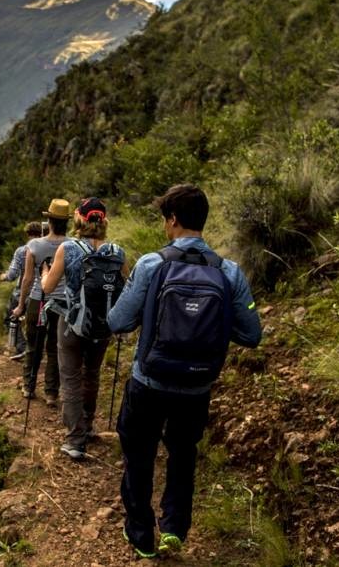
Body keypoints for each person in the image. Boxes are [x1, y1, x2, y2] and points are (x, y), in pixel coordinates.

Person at [107, 184, 262, 559]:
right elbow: (251, 334)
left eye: (165, 219)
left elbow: (118, 321)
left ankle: (141, 534)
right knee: (182, 453)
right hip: (196, 385)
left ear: (173, 220)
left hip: (149, 381)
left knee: (139, 453)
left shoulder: (151, 264)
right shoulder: (229, 272)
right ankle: (174, 527)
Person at [40, 197, 129, 460]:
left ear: (78, 219)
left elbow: (48, 287)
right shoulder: (117, 252)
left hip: (72, 324)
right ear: (104, 221)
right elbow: (127, 287)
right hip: (104, 324)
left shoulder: (68, 248)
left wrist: (44, 274)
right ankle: (88, 425)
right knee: (92, 374)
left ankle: (75, 440)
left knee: (70, 378)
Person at [11, 199, 71, 407]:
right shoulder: (72, 245)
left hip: (38, 300)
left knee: (33, 345)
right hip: (63, 302)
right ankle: (51, 393)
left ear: (50, 221)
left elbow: (27, 279)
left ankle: (28, 386)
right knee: (55, 348)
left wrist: (21, 305)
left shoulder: (34, 245)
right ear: (66, 223)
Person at [2, 222, 43, 360]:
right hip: (41, 293)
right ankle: (35, 349)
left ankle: (22, 347)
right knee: (37, 324)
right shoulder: (46, 249)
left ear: (27, 234)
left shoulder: (22, 251)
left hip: (22, 293)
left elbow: (12, 275)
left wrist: (3, 276)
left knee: (10, 317)